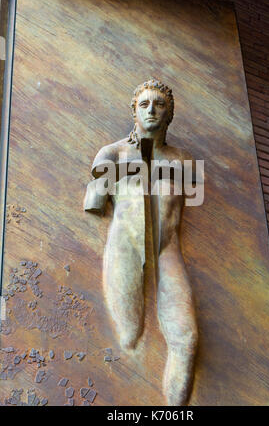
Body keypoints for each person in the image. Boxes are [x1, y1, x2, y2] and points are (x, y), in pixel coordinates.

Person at [84, 79, 198, 406]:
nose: (151, 110)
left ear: (169, 113)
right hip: (124, 246)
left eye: (159, 104)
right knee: (128, 337)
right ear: (133, 111)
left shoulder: (184, 162)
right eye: (144, 104)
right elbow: (95, 203)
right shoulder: (112, 153)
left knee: (187, 340)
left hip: (167, 251)